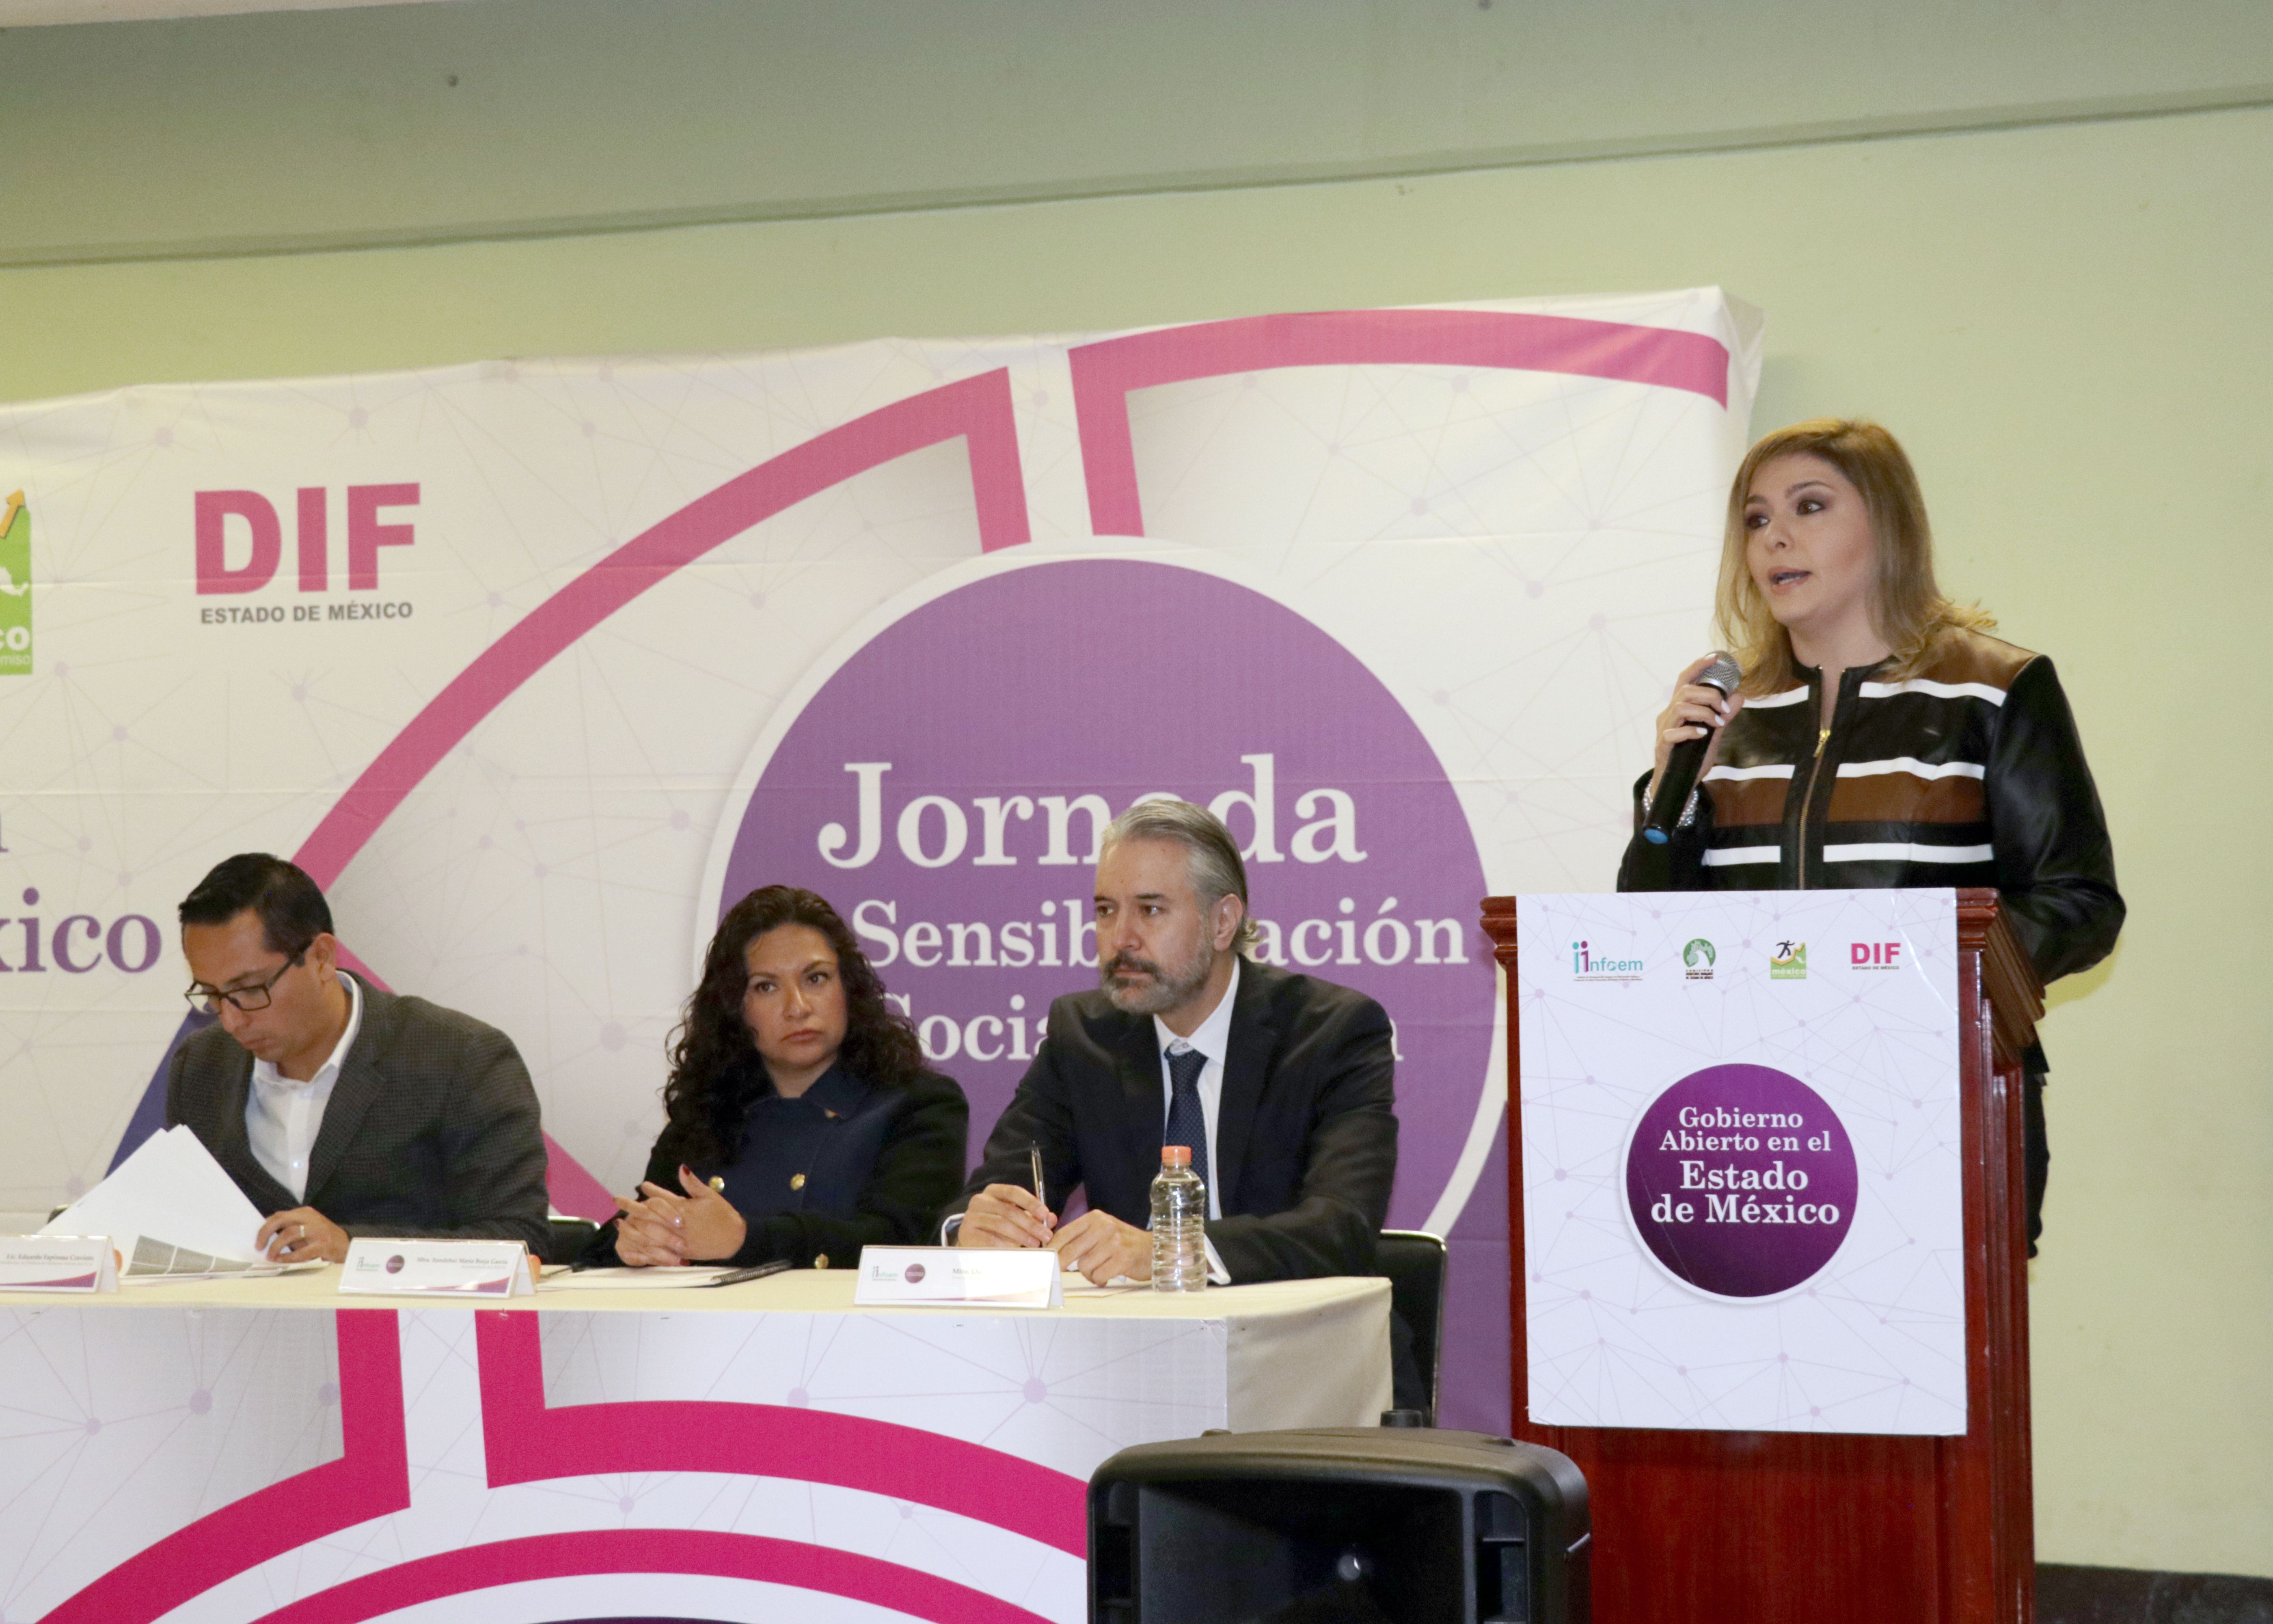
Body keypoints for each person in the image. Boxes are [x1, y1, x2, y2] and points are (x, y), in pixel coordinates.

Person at [1618, 419, 2124, 1249]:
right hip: (1754, 1121)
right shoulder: (1730, 718)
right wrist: (1674, 786)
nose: (1774, 536)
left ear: (1887, 526)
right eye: (1755, 518)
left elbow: (2078, 901)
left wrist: (1904, 987)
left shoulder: (1992, 689)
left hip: (1941, 1102)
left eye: (1809, 506)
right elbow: (1652, 929)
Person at [951, 799, 1399, 1289]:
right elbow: (1001, 1190)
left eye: (1150, 910)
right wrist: (974, 1231)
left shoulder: (1331, 1033)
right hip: (1129, 1330)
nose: (1121, 938)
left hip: (1293, 1326)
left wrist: (1174, 1250)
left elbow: (1343, 1226)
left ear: (1222, 922)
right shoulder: (1082, 1035)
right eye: (1105, 911)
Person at [168, 853, 550, 1263]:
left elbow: (519, 1240)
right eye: (212, 995)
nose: (231, 1020)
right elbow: (182, 1224)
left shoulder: (460, 1058)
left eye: (250, 989)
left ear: (321, 958)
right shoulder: (201, 1065)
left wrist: (356, 1249)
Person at [585, 885, 966, 1270]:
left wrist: (743, 1239)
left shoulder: (919, 1104)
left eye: (816, 979)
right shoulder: (708, 1108)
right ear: (735, 1008)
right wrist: (632, 1244)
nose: (797, 1008)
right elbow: (613, 1238)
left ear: (849, 989)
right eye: (765, 987)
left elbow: (903, 1244)